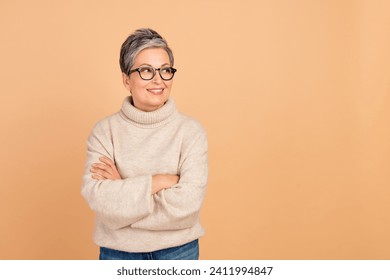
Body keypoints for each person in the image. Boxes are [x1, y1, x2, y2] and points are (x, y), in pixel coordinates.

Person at [81, 28, 208, 260]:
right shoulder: (104, 132)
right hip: (118, 254)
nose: (159, 79)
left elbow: (187, 206)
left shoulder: (191, 132)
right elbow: (100, 200)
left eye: (165, 70)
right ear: (126, 79)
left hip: (179, 252)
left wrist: (123, 191)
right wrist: (158, 182)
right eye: (146, 71)